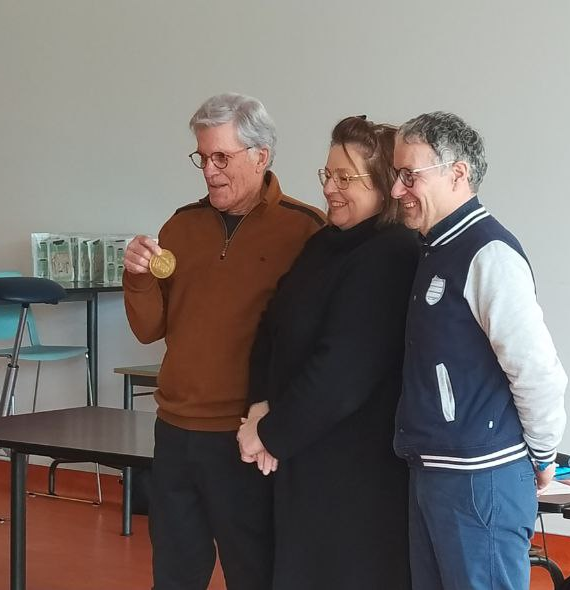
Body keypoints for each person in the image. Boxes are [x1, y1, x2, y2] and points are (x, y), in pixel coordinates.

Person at [122, 92, 325, 590]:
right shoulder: (181, 225)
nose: (209, 171)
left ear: (261, 156)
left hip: (247, 438)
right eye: (202, 158)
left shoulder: (304, 231)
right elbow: (149, 329)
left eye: (221, 158)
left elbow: (315, 344)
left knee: (253, 572)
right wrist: (137, 276)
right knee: (173, 573)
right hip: (174, 430)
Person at [236, 115, 418, 589]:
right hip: (301, 455)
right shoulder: (324, 243)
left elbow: (342, 372)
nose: (331, 188)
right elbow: (270, 327)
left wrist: (273, 433)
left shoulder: (392, 253)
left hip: (354, 471)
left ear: (382, 185)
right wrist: (258, 409)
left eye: (345, 178)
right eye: (327, 175)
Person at [389, 111, 568, 590]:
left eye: (409, 175)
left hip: (480, 479)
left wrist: (544, 454)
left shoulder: (489, 254)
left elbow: (537, 370)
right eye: (394, 175)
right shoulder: (435, 249)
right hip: (435, 472)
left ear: (458, 172)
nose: (396, 190)